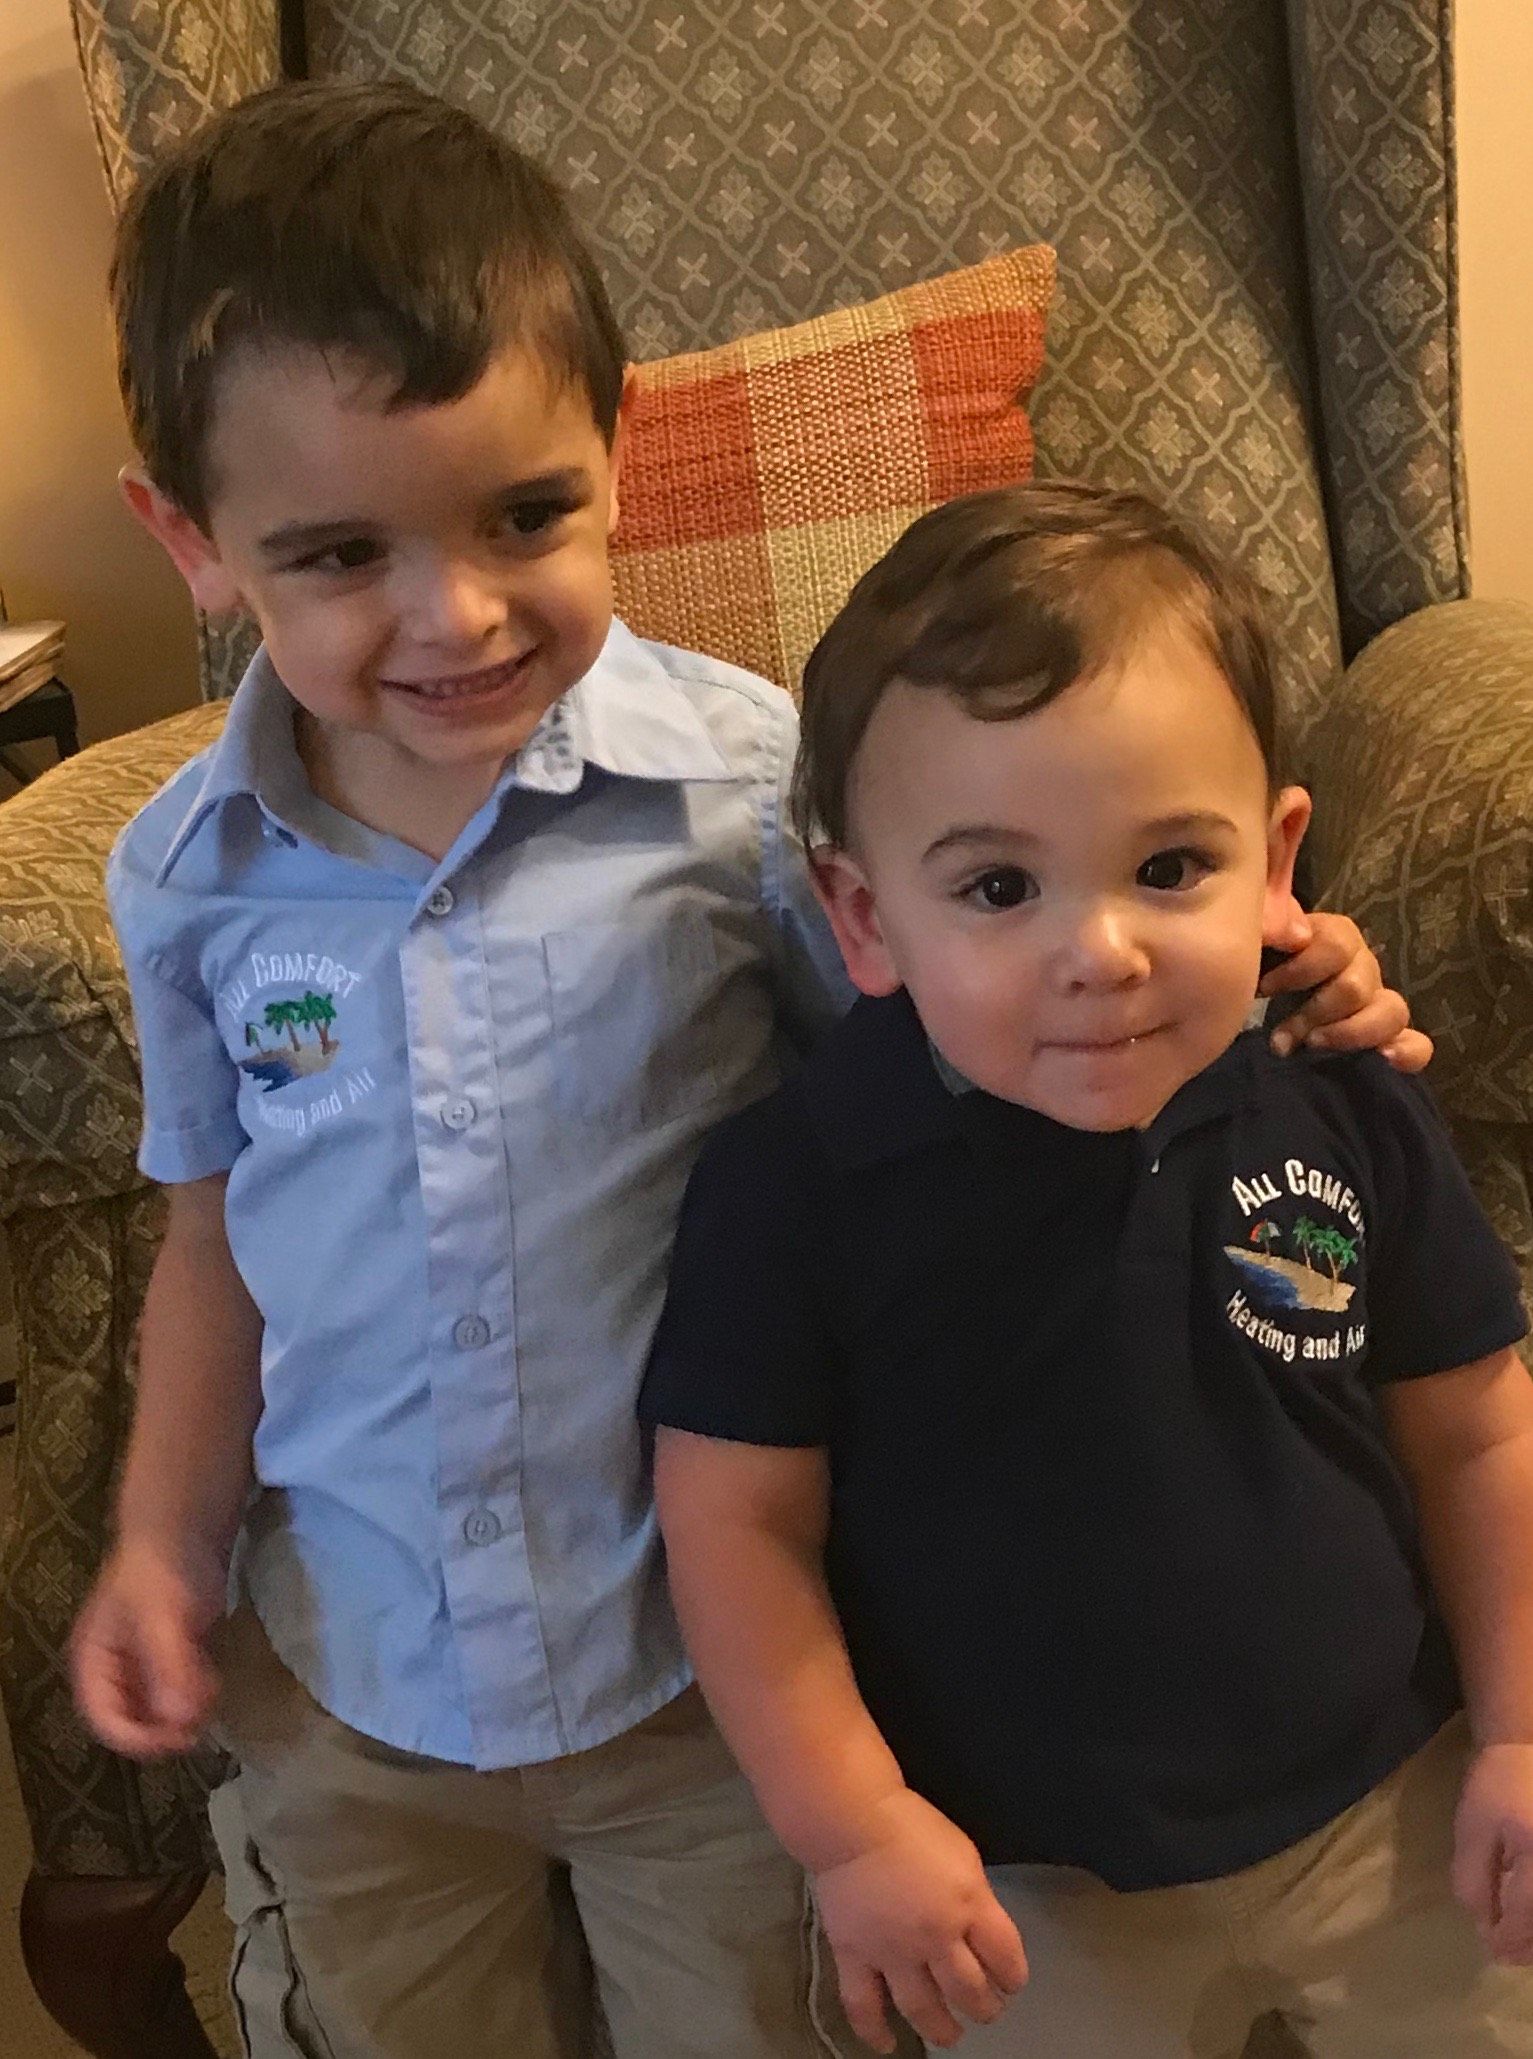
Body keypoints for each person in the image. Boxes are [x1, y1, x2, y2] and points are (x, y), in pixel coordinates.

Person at [68, 77, 1420, 2059]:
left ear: (612, 452)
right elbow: (213, 1237)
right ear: (190, 538)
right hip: (348, 1676)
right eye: (340, 552)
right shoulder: (186, 875)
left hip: (703, 1681)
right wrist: (154, 1545)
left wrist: (1258, 972)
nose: (453, 615)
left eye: (525, 515)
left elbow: (978, 1018)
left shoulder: (742, 792)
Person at [640, 482, 1533, 2059]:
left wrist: (1523, 1728)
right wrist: (849, 1832)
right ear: (862, 914)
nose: (1100, 951)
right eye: (997, 888)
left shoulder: (1343, 1092)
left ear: (1275, 863)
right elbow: (736, 1530)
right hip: (1021, 1886)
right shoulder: (793, 1194)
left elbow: (1476, 1432)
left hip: (1388, 1806)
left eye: (1170, 868)